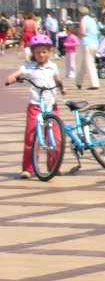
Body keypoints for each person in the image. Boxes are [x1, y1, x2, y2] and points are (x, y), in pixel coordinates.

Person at [6, 34, 65, 179]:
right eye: (38, 52)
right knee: (32, 137)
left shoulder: (53, 66)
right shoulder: (29, 67)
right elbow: (16, 74)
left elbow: (58, 79)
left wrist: (62, 87)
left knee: (56, 138)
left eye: (44, 51)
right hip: (36, 107)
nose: (41, 55)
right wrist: (12, 78)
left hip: (52, 106)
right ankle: (28, 168)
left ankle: (53, 166)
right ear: (33, 53)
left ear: (49, 52)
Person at [75, 6, 100, 89]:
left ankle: (94, 83)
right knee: (85, 63)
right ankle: (78, 81)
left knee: (89, 64)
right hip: (95, 42)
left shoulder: (83, 20)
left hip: (87, 43)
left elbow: (83, 32)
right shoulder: (92, 20)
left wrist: (77, 34)